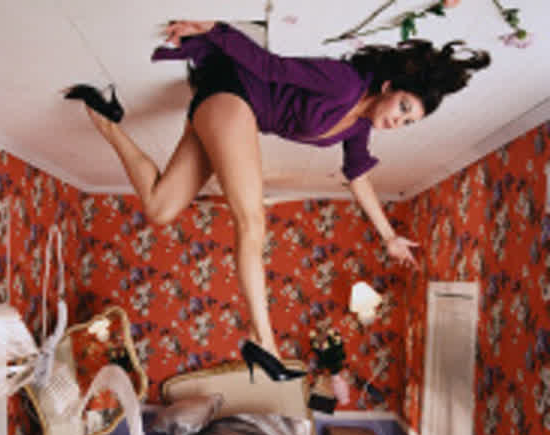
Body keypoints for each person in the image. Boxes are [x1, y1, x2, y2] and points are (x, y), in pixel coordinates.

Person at [65, 20, 490, 382]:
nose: (398, 121)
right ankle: (263, 341)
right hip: (234, 95)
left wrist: (389, 237)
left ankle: (104, 117)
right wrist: (215, 29)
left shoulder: (357, 129)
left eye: (408, 121)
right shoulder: (343, 82)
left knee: (160, 207)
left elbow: (358, 175)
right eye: (403, 107)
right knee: (252, 220)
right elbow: (271, 65)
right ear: (388, 86)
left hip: (227, 109)